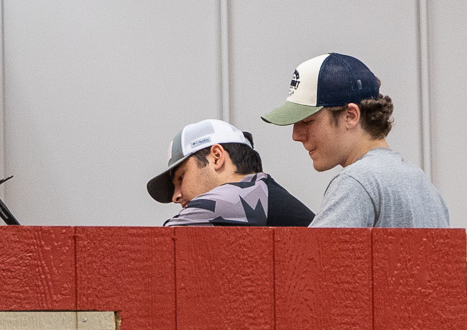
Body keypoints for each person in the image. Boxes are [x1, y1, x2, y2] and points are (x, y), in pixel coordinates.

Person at [261, 54, 451, 229]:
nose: (296, 135)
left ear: (350, 116)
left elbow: (312, 262)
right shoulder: (422, 184)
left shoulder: (357, 181)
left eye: (308, 121)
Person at [147, 119, 314, 227]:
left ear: (216, 157)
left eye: (181, 177)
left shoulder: (243, 194)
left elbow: (166, 239)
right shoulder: (261, 191)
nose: (175, 196)